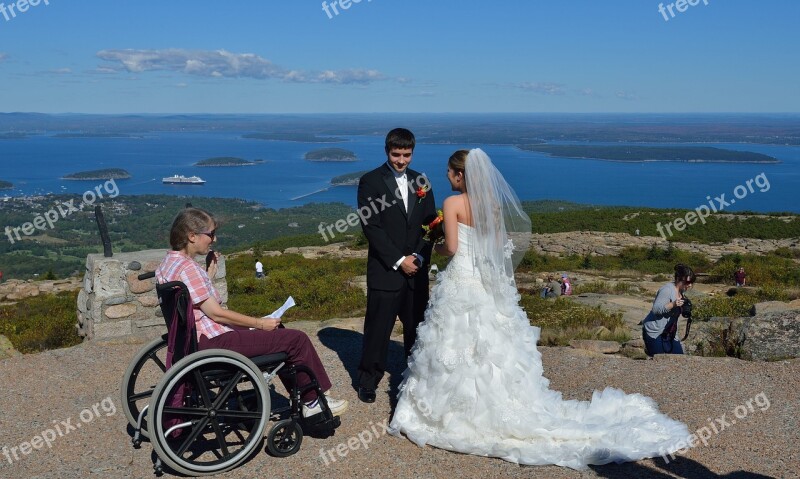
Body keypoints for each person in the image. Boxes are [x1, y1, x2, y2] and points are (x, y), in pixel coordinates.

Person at [389, 149, 688, 469]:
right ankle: (496, 404)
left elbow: (451, 246)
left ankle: (451, 411)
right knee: (491, 342)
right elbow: (496, 244)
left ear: (460, 175)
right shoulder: (491, 204)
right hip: (487, 284)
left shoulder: (452, 204)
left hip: (462, 279)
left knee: (454, 338)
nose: (447, 177)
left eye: (450, 173)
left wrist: (434, 245)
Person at [155, 207, 347, 418]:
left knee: (278, 330)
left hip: (193, 341)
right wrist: (259, 323)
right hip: (213, 341)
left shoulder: (168, 264)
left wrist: (208, 275)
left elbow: (193, 303)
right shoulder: (189, 269)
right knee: (296, 340)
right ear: (192, 236)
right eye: (210, 234)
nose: (214, 239)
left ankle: (301, 393)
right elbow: (216, 314)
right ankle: (312, 402)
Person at [356, 128, 437, 404]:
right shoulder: (370, 182)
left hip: (417, 271)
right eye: (396, 154)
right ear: (386, 151)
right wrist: (400, 260)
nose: (401, 161)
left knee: (416, 329)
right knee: (378, 329)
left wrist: (420, 257)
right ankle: (368, 380)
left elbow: (431, 225)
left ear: (413, 152)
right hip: (385, 270)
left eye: (406, 155)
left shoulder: (421, 181)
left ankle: (415, 377)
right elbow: (372, 227)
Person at [641, 263, 696, 356]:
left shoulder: (681, 291)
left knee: (680, 359)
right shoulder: (667, 290)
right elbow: (656, 309)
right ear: (678, 279)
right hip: (655, 332)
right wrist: (673, 304)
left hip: (670, 332)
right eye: (687, 282)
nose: (690, 285)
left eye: (692, 282)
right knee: (659, 362)